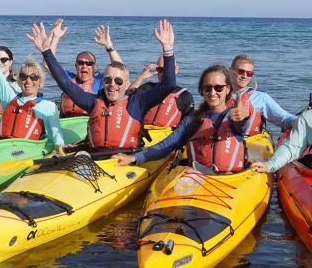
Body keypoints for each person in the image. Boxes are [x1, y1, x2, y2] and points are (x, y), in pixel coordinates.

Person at [33, 18, 177, 150]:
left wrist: (168, 49)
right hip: (96, 158)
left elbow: (168, 85)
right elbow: (65, 84)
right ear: (103, 81)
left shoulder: (138, 103)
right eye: (107, 80)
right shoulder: (93, 102)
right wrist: (46, 51)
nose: (112, 85)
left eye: (118, 81)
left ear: (127, 85)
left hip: (126, 160)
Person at [0, 11, 66, 149]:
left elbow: (56, 137)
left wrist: (60, 148)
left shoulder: (48, 107)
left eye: (33, 77)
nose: (28, 81)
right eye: (23, 76)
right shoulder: (9, 98)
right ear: (19, 80)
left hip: (27, 152)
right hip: (3, 148)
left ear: (40, 82)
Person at [114, 64, 245, 171]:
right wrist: (135, 158)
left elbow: (243, 124)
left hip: (231, 179)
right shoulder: (192, 120)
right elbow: (167, 145)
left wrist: (245, 115)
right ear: (201, 90)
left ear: (228, 89)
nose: (212, 93)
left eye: (218, 88)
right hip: (197, 178)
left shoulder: (236, 117)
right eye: (207, 88)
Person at [54, 25, 123, 116]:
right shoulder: (68, 79)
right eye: (81, 63)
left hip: (89, 120)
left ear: (95, 67)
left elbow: (120, 69)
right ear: (76, 66)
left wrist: (109, 46)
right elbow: (49, 64)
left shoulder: (100, 81)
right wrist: (55, 38)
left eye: (89, 63)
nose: (84, 66)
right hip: (66, 121)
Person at [228, 53, 296, 134]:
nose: (245, 76)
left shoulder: (261, 98)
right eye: (241, 71)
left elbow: (284, 119)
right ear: (230, 71)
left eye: (249, 73)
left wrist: (304, 121)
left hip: (251, 141)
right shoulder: (218, 94)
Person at [129, 54, 194, 127]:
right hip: (142, 133)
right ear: (157, 71)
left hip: (168, 136)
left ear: (176, 70)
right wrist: (141, 77)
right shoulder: (147, 88)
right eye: (160, 70)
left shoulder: (184, 95)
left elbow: (189, 124)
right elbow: (128, 98)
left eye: (168, 69)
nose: (164, 73)